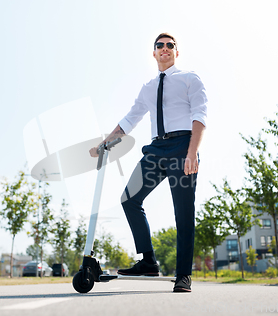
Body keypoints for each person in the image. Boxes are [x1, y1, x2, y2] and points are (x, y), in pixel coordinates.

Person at [89, 33, 207, 292]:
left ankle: (184, 275)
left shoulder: (190, 78)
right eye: (159, 45)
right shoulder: (148, 87)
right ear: (153, 53)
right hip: (155, 149)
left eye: (170, 45)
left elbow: (199, 116)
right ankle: (148, 261)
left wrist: (192, 152)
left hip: (182, 147)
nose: (165, 48)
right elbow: (131, 119)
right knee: (129, 199)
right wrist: (104, 143)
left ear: (177, 52)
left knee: (183, 214)